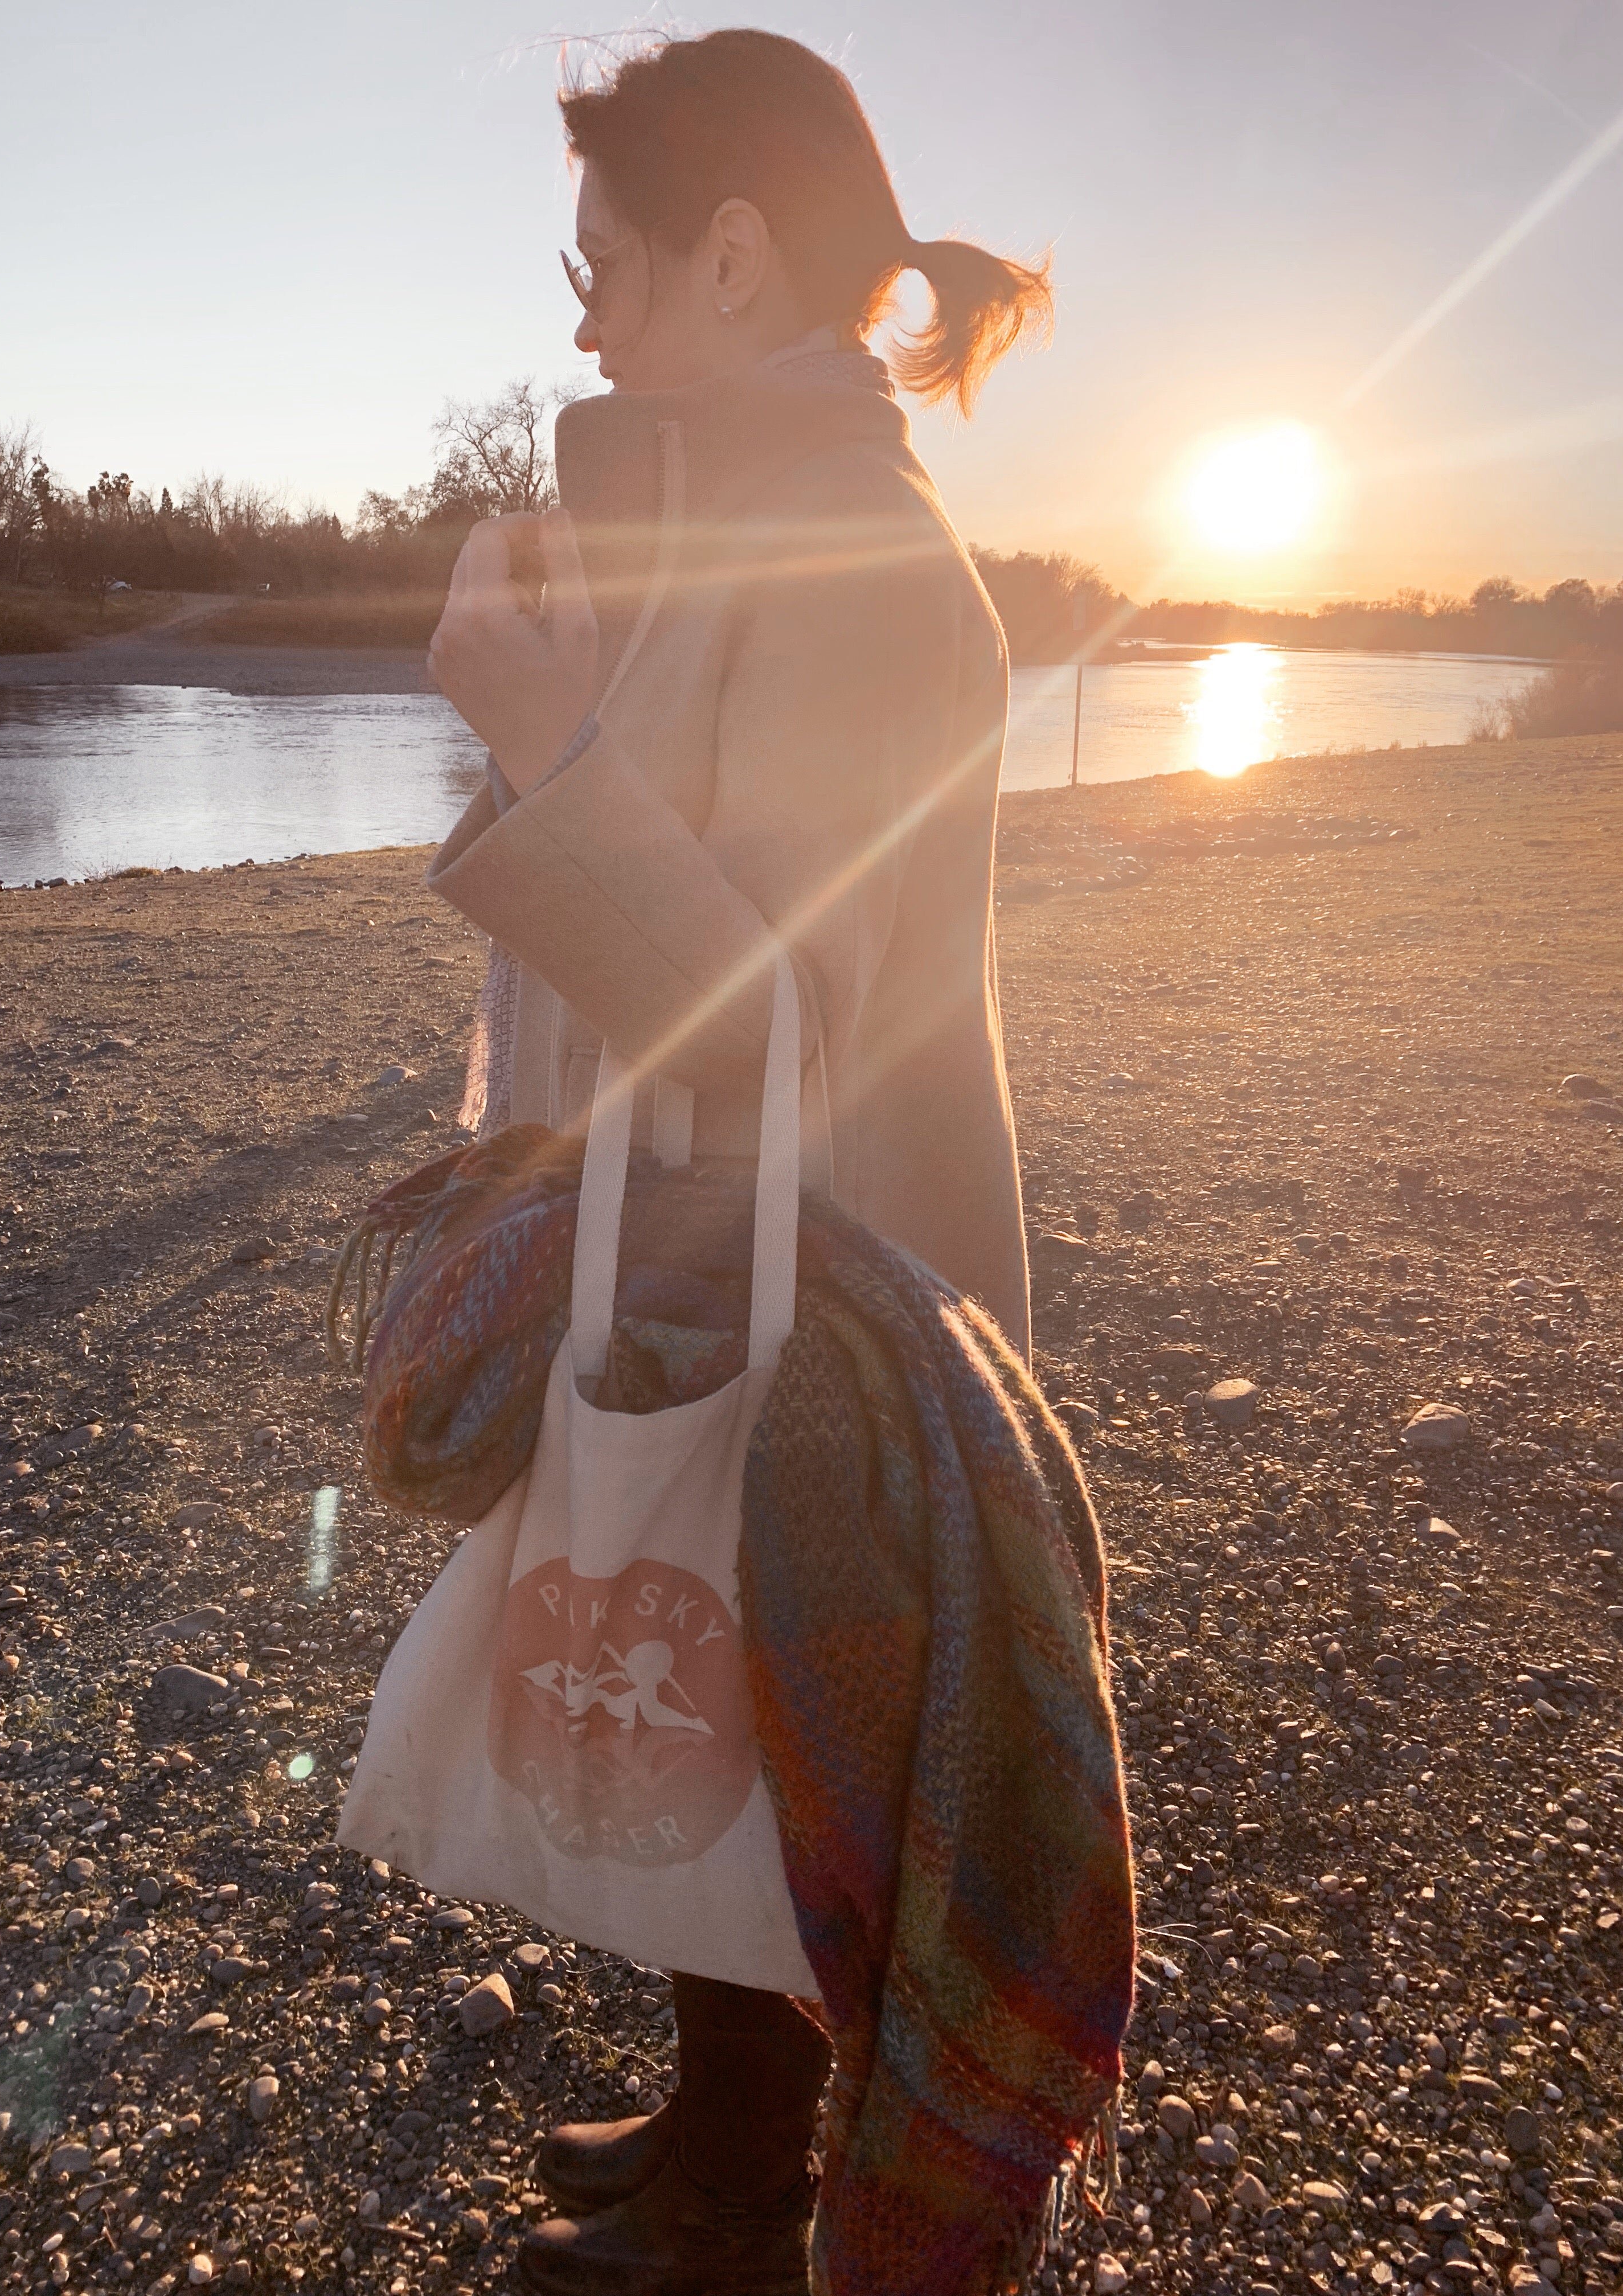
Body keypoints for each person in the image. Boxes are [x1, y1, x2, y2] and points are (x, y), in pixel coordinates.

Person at [422, 28, 1054, 2295]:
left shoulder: (867, 564)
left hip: (839, 1283)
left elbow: (769, 1008)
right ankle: (717, 2134)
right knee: (710, 1698)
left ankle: (731, 2216)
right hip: (729, 1244)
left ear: (734, 249)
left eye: (601, 262)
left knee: (782, 1729)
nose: (579, 313)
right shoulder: (737, 523)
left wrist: (531, 743)